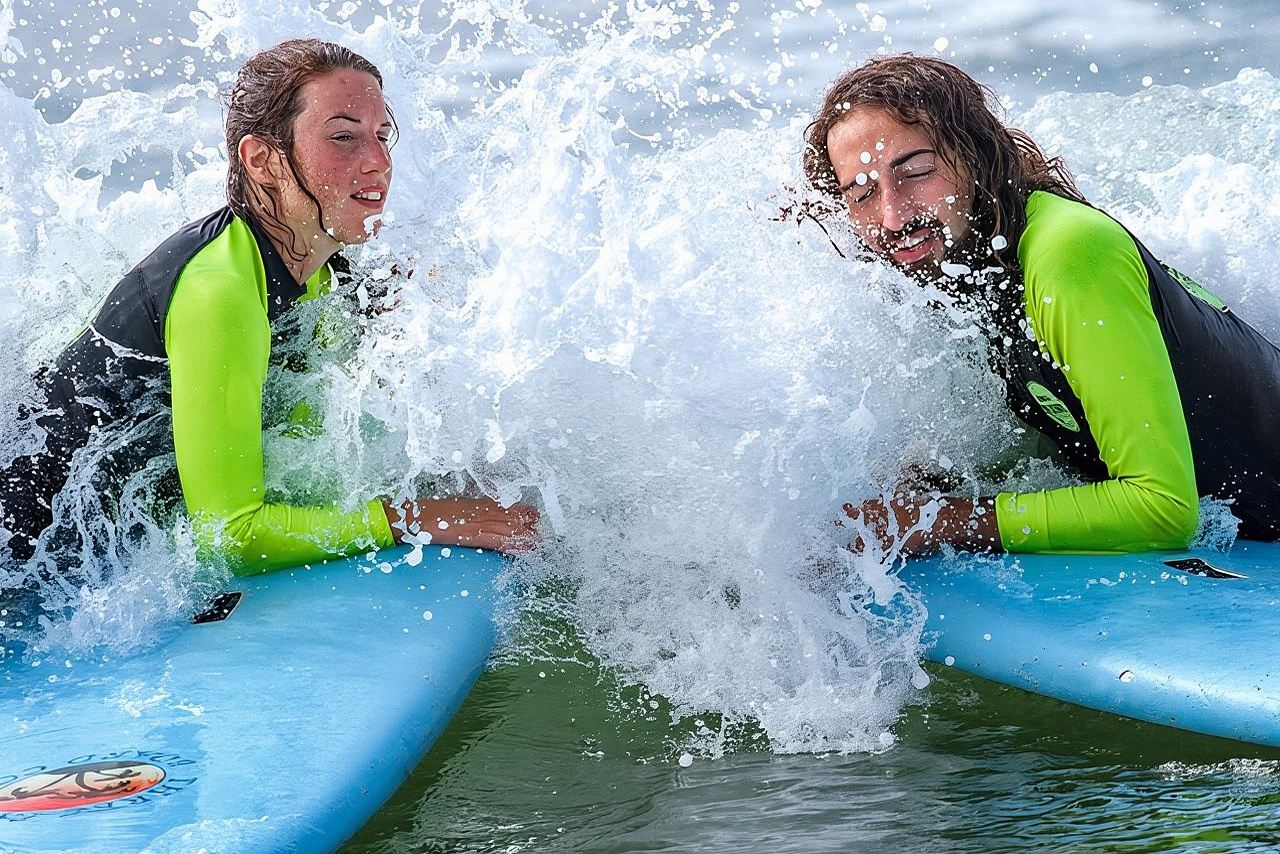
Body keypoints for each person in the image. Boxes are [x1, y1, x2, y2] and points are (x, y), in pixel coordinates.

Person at [0, 39, 537, 574]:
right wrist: (412, 517)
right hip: (24, 556)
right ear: (262, 160)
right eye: (343, 137)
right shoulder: (220, 292)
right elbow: (229, 537)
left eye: (381, 136)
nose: (378, 163)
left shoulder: (317, 266)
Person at [803, 54, 1280, 555]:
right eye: (861, 194)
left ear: (973, 157)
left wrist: (940, 523)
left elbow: (1162, 508)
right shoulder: (971, 268)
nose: (893, 215)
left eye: (916, 171)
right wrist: (925, 484)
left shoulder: (1070, 254)